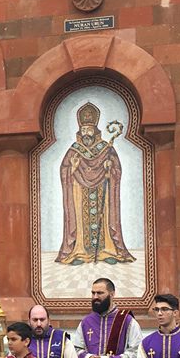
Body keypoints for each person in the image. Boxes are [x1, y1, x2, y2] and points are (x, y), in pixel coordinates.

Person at [55, 101, 135, 265]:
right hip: (79, 189)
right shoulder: (74, 149)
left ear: (95, 130)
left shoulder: (106, 148)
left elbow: (116, 169)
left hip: (101, 189)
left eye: (89, 129)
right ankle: (79, 253)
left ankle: (107, 251)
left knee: (104, 217)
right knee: (80, 219)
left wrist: (110, 167)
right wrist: (73, 168)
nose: (86, 133)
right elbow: (64, 170)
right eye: (83, 129)